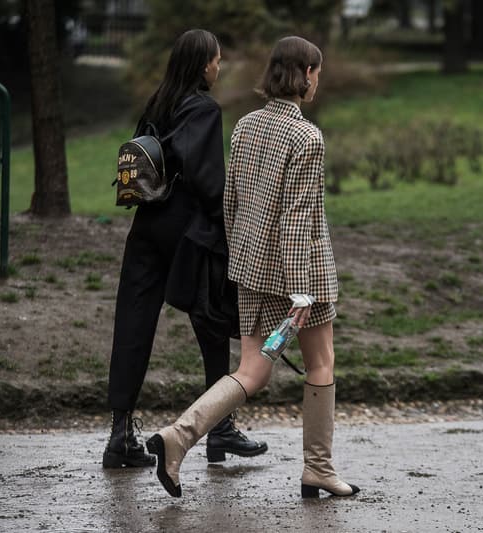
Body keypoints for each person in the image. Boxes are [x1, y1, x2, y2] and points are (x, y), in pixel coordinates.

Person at [147, 36, 360, 499]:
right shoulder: (308, 137)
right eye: (316, 72)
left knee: (252, 371)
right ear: (304, 74)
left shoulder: (244, 126)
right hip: (301, 276)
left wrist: (246, 261)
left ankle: (177, 438)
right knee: (321, 362)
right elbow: (297, 217)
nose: (317, 80)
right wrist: (302, 290)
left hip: (251, 270)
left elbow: (232, 201)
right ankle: (318, 469)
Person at [103, 29, 268, 469]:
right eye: (216, 60)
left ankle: (119, 436)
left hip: (145, 226)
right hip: (189, 232)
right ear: (202, 65)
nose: (219, 67)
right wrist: (230, 225)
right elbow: (208, 181)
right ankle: (221, 429)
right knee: (212, 321)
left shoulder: (158, 104)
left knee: (133, 322)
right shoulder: (204, 109)